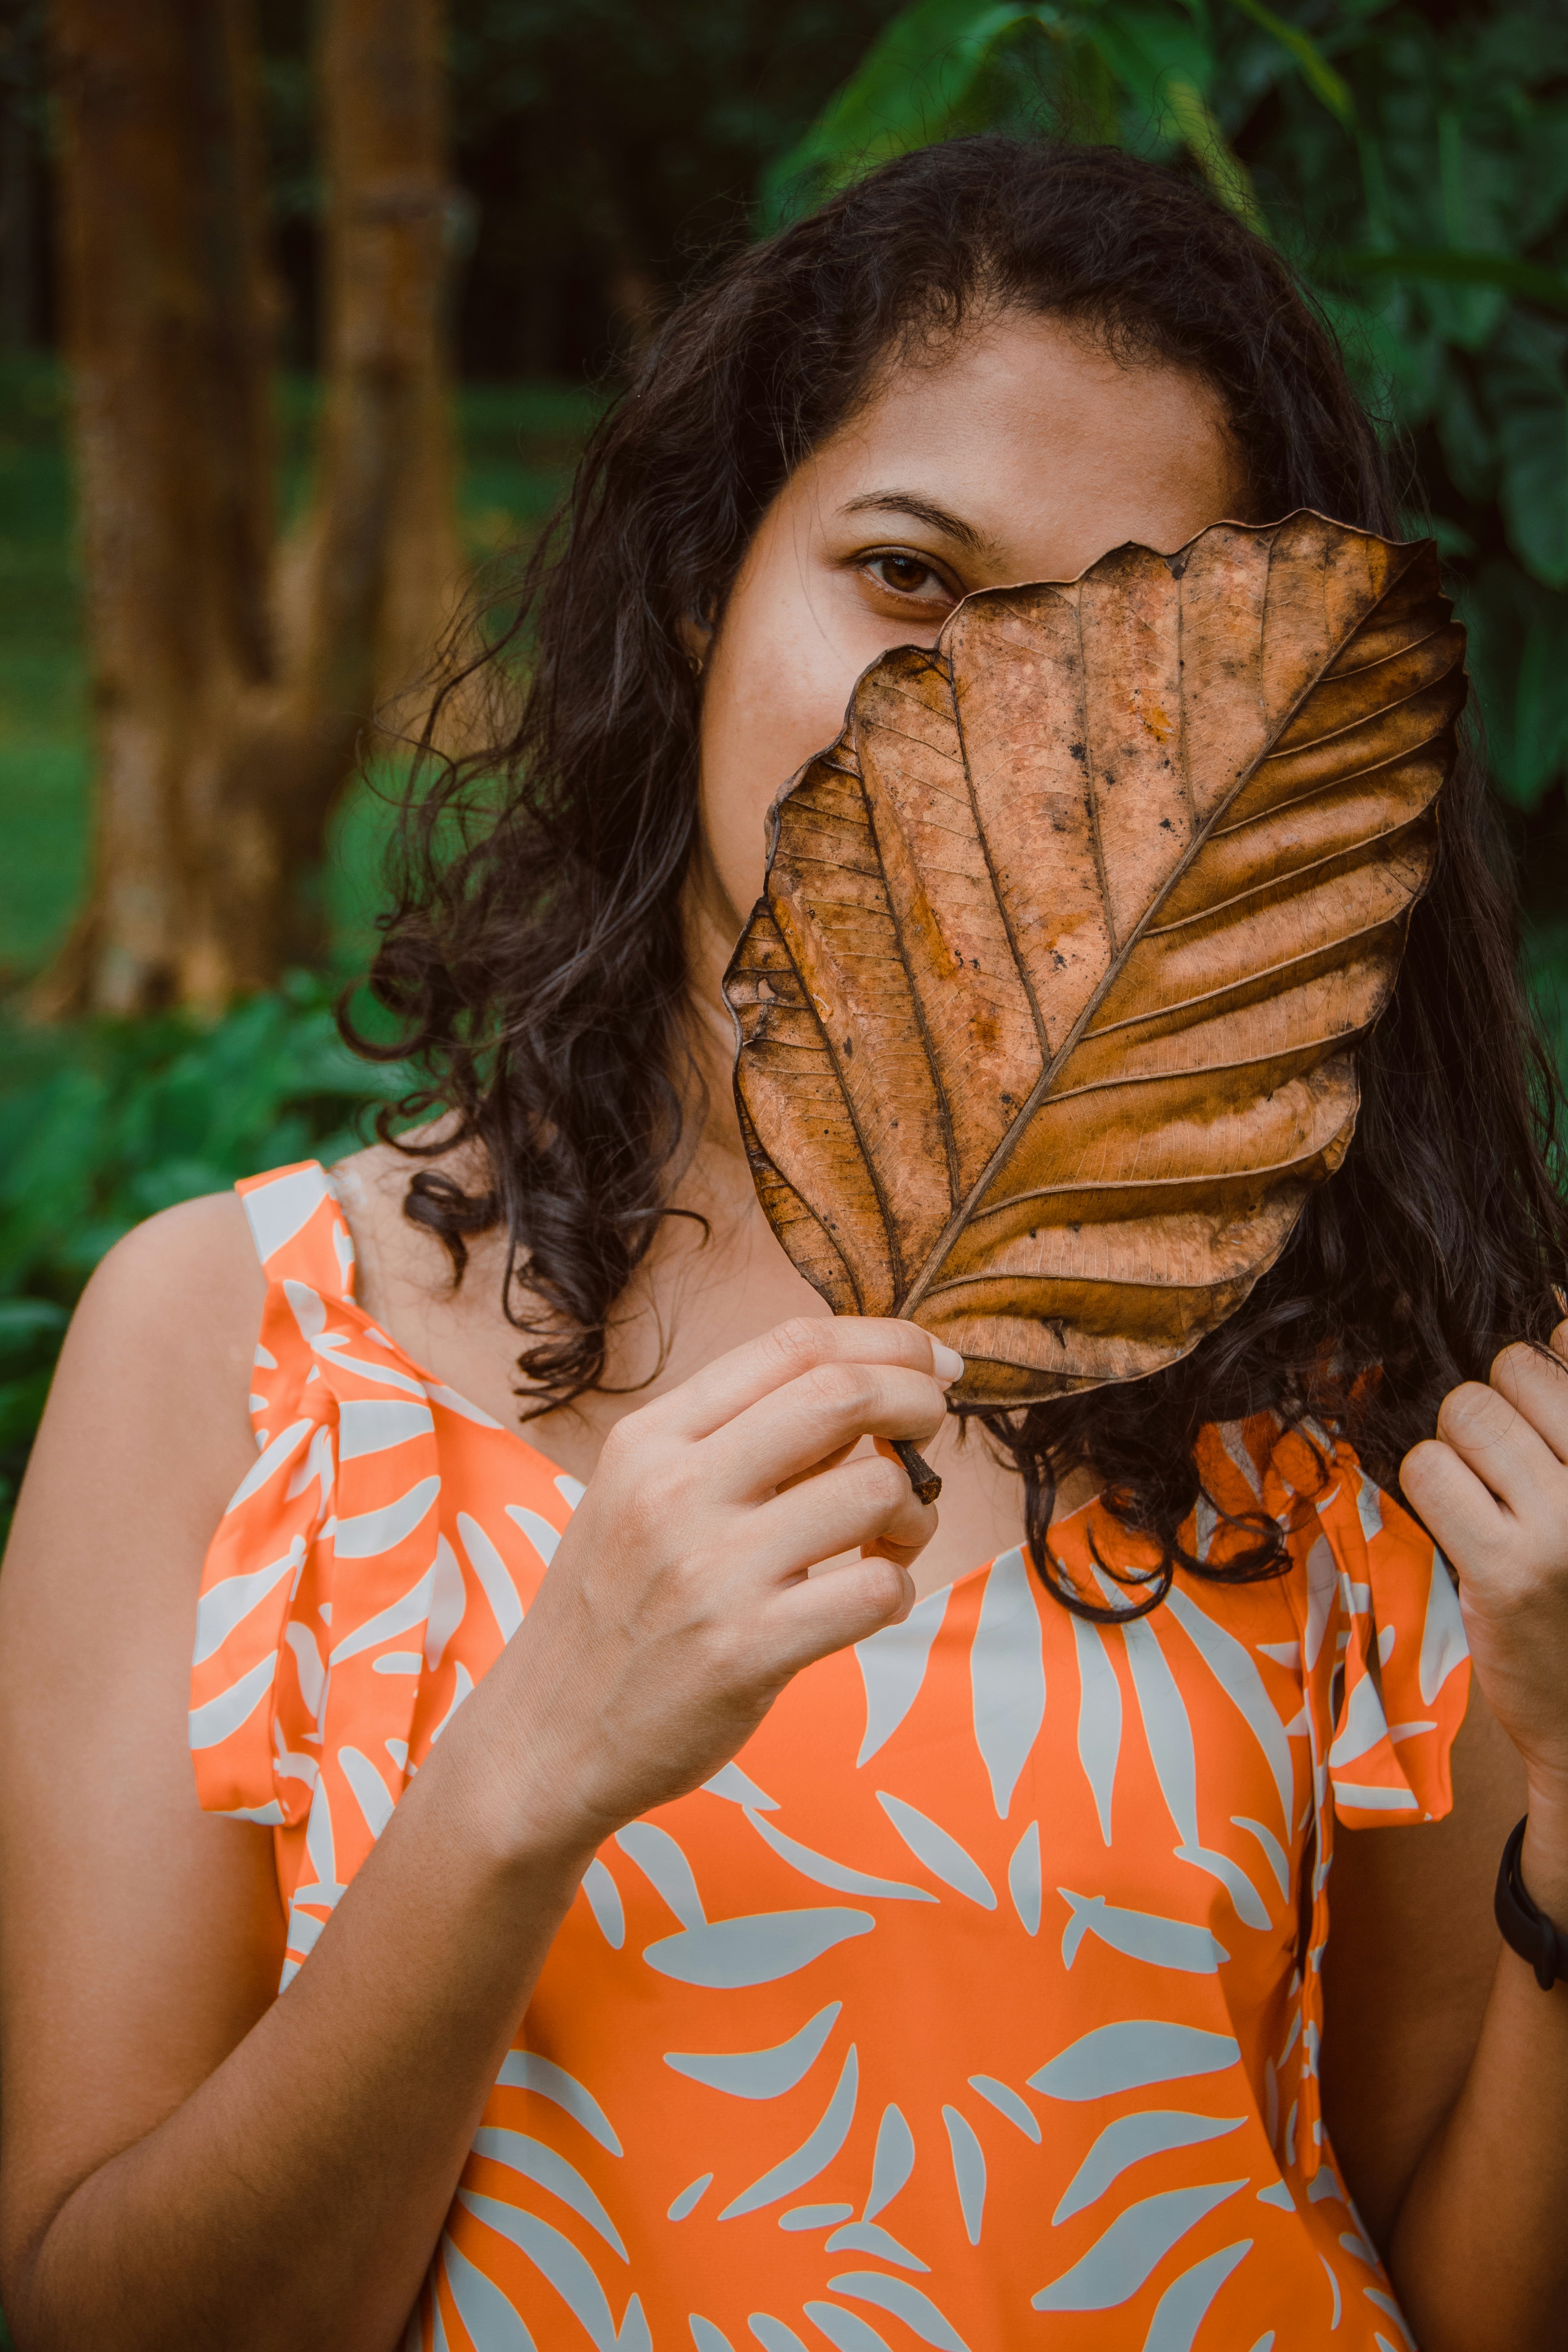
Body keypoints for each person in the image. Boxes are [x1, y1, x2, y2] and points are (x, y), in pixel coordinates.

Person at [1, 135, 1566, 2352]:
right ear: (699, 595)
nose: (981, 722)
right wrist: (524, 1769)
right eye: (913, 578)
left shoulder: (1331, 1402)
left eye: (1111, 641)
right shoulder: (236, 1349)